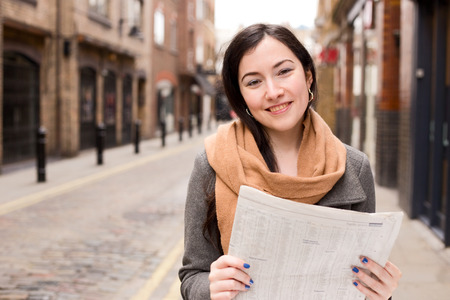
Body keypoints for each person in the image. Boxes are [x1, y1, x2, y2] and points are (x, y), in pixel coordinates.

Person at [179, 23, 401, 300]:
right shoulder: (212, 163)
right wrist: (211, 287)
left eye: (284, 72)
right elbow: (192, 277)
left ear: (308, 77)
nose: (273, 91)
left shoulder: (353, 167)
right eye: (254, 81)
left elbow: (361, 282)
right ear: (241, 96)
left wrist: (380, 293)